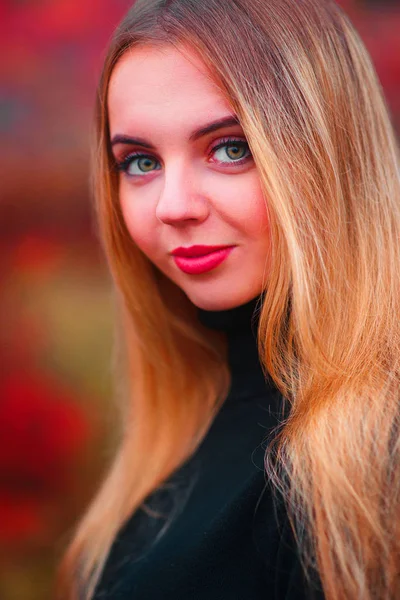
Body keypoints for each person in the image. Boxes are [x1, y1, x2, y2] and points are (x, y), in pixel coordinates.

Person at [55, 0, 400, 598]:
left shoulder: (377, 463)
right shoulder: (179, 435)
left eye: (229, 148)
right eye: (139, 162)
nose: (173, 205)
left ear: (327, 153)